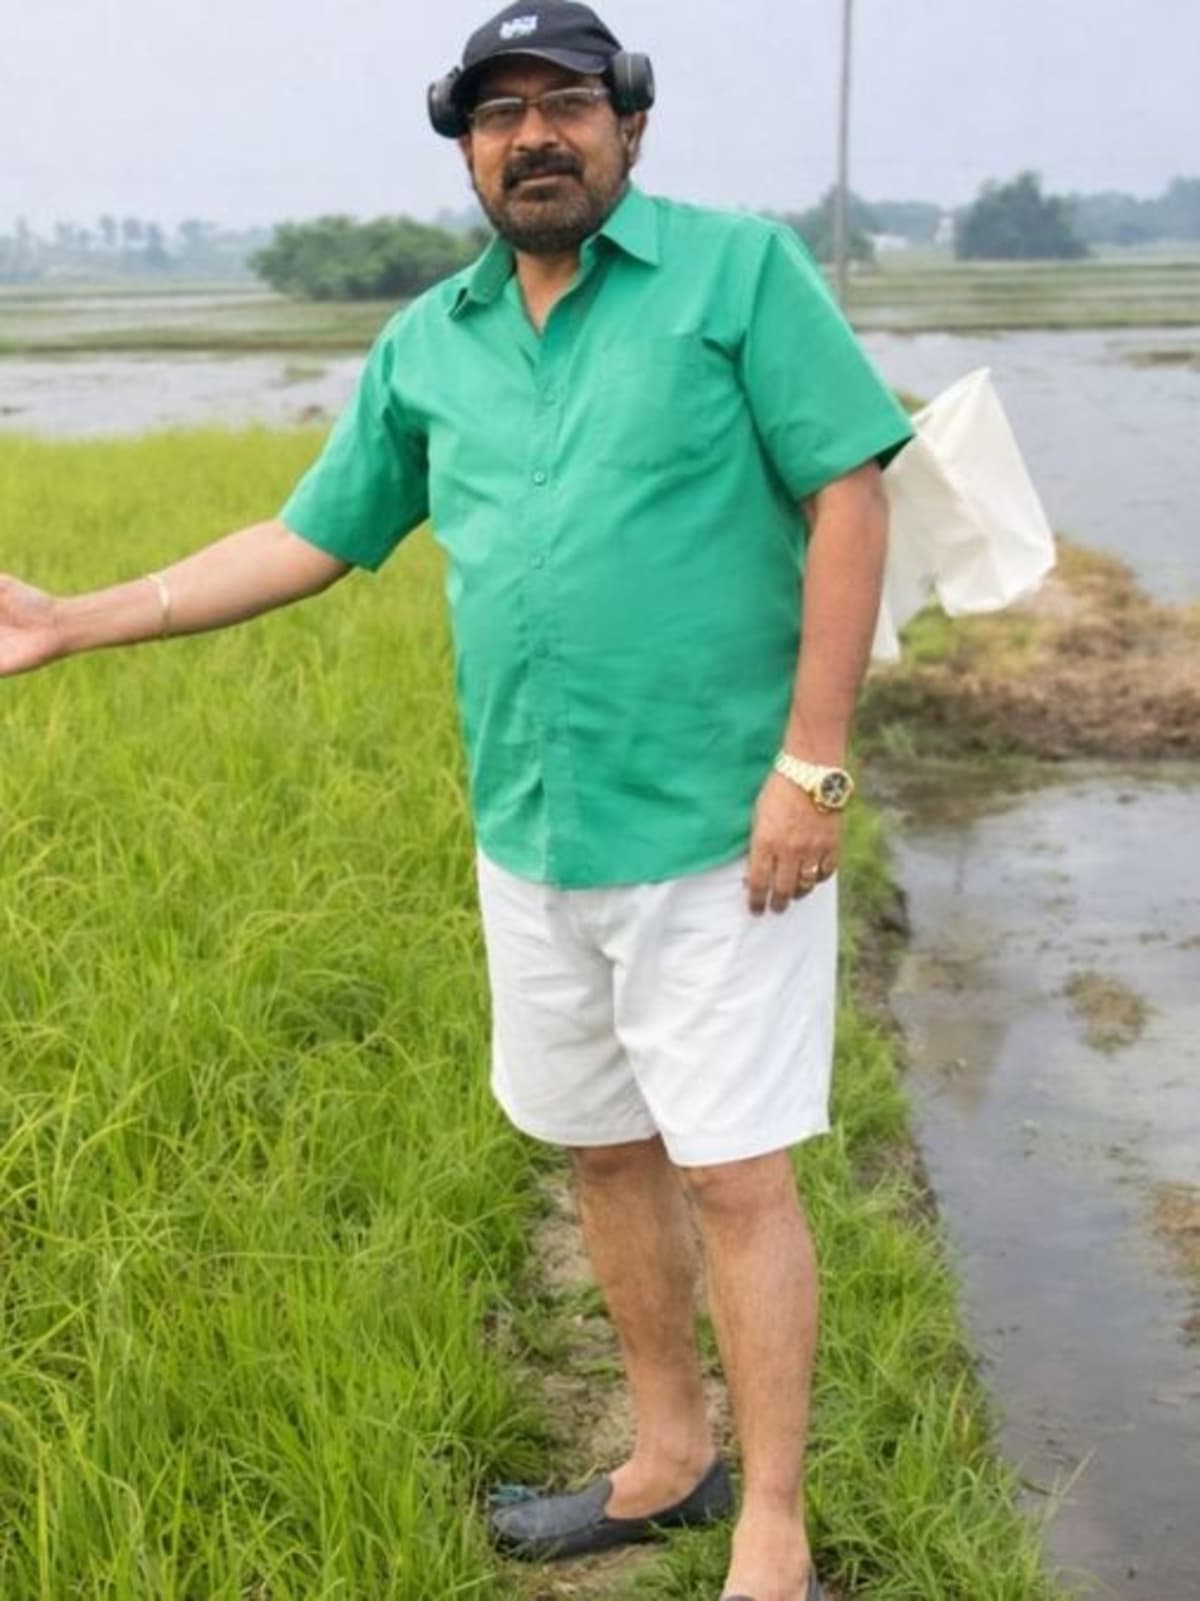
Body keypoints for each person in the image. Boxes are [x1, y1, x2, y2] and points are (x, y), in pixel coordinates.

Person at [0, 5, 912, 1598]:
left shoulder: (738, 276)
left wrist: (812, 764)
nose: (534, 134)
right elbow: (308, 537)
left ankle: (772, 1523)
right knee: (602, 1151)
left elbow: (850, 486)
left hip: (725, 832)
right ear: (468, 147)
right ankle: (667, 1455)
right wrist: (75, 618)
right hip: (534, 836)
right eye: (499, 113)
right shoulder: (431, 344)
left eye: (567, 102)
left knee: (734, 1173)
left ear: (630, 122)